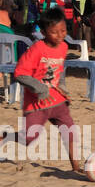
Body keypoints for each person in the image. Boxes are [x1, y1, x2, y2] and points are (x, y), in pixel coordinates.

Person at [11, 9, 83, 174]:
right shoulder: (37, 48)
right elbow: (20, 73)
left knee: (70, 132)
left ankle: (76, 167)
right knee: (29, 138)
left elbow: (60, 70)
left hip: (57, 101)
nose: (59, 35)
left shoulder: (64, 47)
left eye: (63, 31)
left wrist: (63, 88)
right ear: (43, 32)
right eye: (54, 32)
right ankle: (5, 136)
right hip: (37, 103)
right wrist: (40, 89)